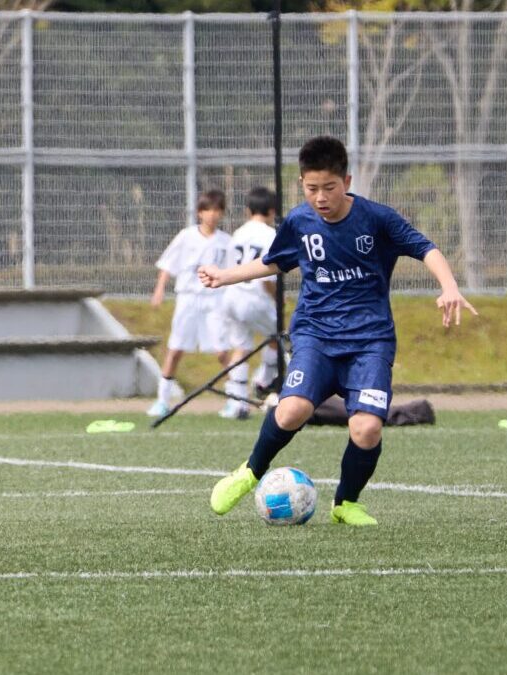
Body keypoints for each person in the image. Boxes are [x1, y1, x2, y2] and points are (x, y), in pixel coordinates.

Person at [197, 136, 476, 526]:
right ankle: (250, 472)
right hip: (316, 335)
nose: (320, 197)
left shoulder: (376, 219)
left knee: (367, 428)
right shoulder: (299, 221)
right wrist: (225, 276)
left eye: (329, 187)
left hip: (370, 341)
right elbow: (275, 262)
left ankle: (345, 503)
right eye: (312, 188)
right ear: (302, 183)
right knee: (292, 409)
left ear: (346, 181)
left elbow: (425, 248)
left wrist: (449, 286)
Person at [147, 189, 232, 418]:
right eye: (207, 210)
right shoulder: (186, 236)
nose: (212, 215)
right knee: (175, 349)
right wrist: (159, 289)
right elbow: (168, 264)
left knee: (222, 350)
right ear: (199, 213)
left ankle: (235, 399)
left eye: (216, 210)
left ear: (222, 213)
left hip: (215, 300)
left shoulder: (226, 242)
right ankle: (162, 400)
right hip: (188, 298)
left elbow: (233, 272)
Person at [220, 186, 282, 421]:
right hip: (255, 298)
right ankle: (263, 380)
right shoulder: (271, 235)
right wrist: (278, 300)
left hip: (232, 297)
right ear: (273, 210)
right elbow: (267, 279)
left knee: (241, 347)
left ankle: (237, 402)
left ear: (248, 210)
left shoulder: (238, 233)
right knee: (279, 336)